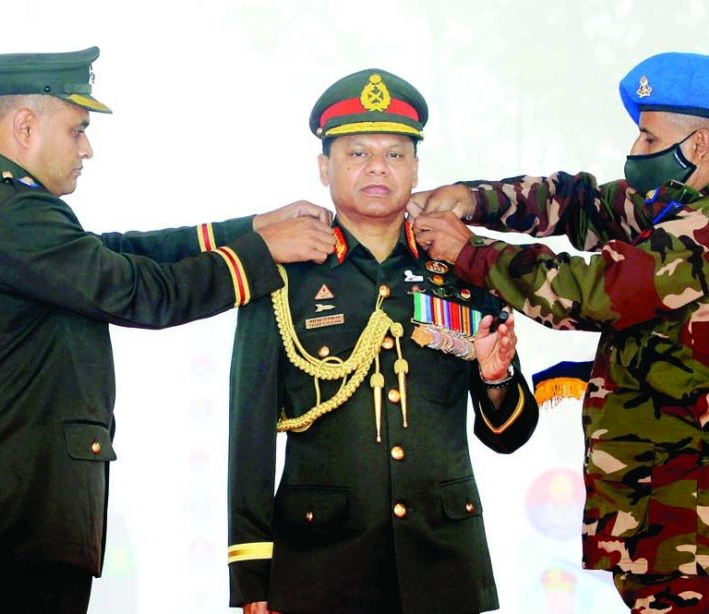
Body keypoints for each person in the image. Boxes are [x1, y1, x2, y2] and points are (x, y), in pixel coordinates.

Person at [0, 46, 337, 614]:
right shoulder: (12, 214)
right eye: (78, 129)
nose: (87, 148)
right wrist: (259, 256)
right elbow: (137, 291)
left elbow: (121, 252)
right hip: (12, 533)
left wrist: (249, 228)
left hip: (6, 526)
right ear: (26, 125)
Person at [410, 52, 709, 613]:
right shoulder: (680, 203)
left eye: (648, 140)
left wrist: (468, 251)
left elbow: (595, 293)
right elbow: (576, 202)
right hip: (657, 519)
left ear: (700, 147)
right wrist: (474, 199)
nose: (634, 155)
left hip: (699, 531)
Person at [226, 68, 540, 614]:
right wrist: (253, 577)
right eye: (356, 154)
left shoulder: (462, 268)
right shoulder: (282, 273)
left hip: (443, 564)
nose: (377, 167)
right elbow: (248, 432)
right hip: (317, 565)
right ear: (324, 167)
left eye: (395, 154)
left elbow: (508, 437)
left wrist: (496, 378)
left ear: (416, 167)